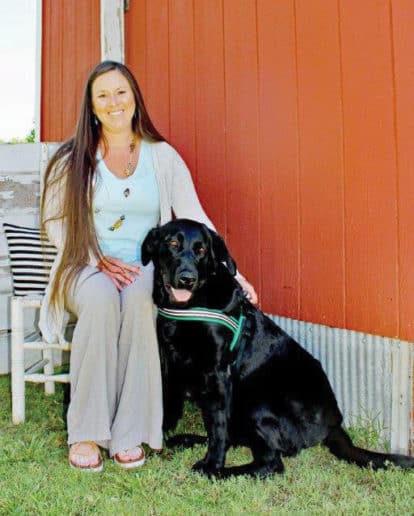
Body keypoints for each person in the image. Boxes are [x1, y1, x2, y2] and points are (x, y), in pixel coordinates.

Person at [40, 60, 258, 471]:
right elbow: (54, 224)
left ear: (135, 98)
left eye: (121, 92)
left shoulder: (162, 157)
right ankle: (86, 431)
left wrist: (236, 273)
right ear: (91, 106)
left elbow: (198, 219)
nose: (113, 102)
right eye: (102, 95)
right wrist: (95, 259)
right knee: (103, 299)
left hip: (142, 269)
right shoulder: (71, 159)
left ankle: (131, 431)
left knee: (142, 300)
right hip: (83, 266)